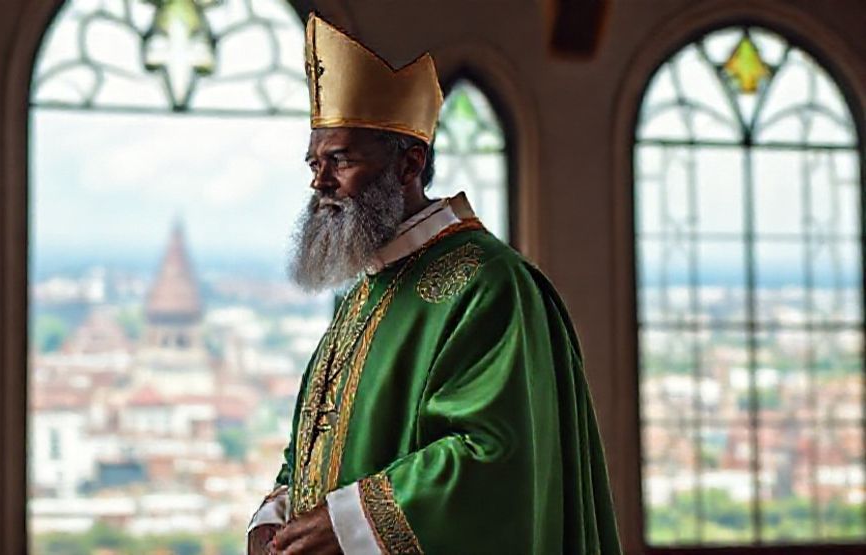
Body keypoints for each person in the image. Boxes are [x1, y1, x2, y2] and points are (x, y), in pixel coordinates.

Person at [246, 13, 622, 555]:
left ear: (410, 165)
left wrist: (348, 524)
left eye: (340, 160)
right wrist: (275, 515)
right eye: (314, 164)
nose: (320, 183)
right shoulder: (365, 291)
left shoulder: (488, 284)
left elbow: (497, 457)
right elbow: (313, 447)